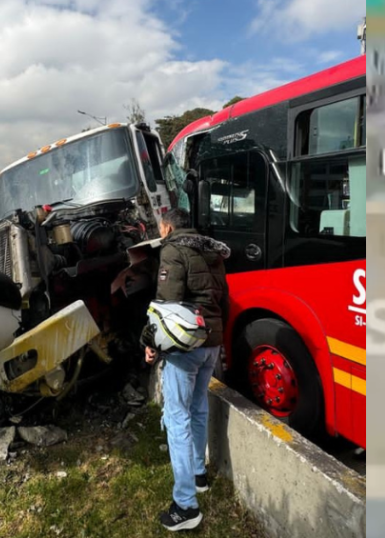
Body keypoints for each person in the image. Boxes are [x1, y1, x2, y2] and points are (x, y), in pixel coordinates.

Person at [146, 208, 230, 532]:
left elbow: (166, 304)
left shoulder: (172, 249)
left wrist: (149, 342)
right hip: (213, 343)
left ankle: (186, 506)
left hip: (187, 345)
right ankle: (198, 475)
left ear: (167, 227)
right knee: (198, 408)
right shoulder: (213, 251)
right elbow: (223, 300)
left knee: (177, 416)